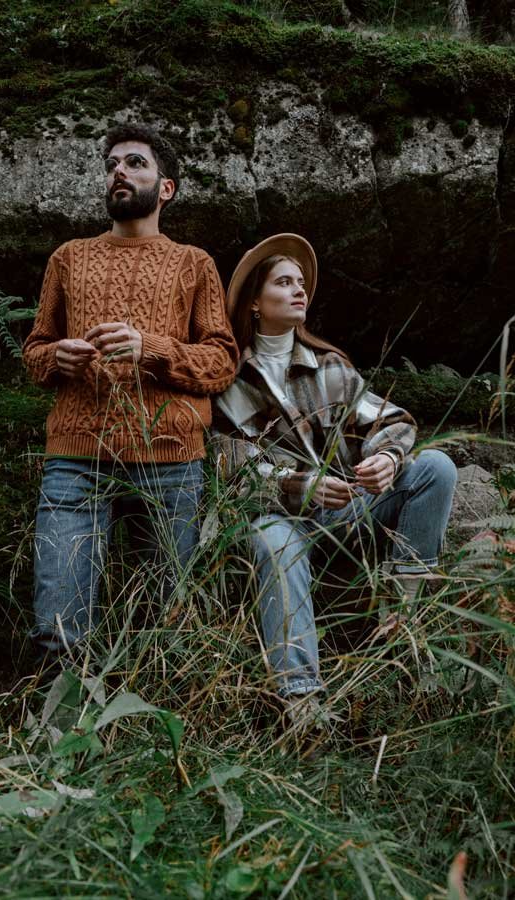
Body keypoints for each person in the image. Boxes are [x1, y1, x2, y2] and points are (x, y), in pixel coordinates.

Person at [213, 233, 457, 726]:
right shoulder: (228, 379)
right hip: (278, 519)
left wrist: (385, 458)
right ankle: (301, 701)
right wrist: (297, 486)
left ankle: (404, 621)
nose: (299, 290)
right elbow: (229, 470)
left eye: (301, 283)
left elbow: (390, 422)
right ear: (255, 303)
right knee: (274, 542)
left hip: (346, 510)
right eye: (284, 282)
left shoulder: (328, 365)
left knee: (436, 467)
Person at [23, 123, 238, 665]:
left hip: (171, 461)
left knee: (168, 623)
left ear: (166, 188)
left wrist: (152, 348)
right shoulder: (68, 257)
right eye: (112, 164)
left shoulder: (195, 263)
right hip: (75, 460)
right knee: (58, 627)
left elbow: (222, 362)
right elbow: (35, 351)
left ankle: (154, 716)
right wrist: (56, 357)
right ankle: (67, 716)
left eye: (135, 162)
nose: (119, 171)